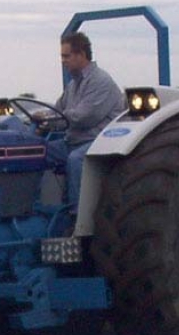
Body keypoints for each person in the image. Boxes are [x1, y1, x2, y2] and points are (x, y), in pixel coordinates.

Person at [47, 31, 125, 211]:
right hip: (73, 141)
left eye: (66, 56)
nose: (63, 61)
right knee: (38, 151)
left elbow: (84, 117)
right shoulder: (73, 85)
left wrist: (55, 118)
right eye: (62, 56)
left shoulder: (101, 81)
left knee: (75, 160)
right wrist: (43, 120)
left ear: (81, 55)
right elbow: (57, 112)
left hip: (99, 142)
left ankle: (78, 215)